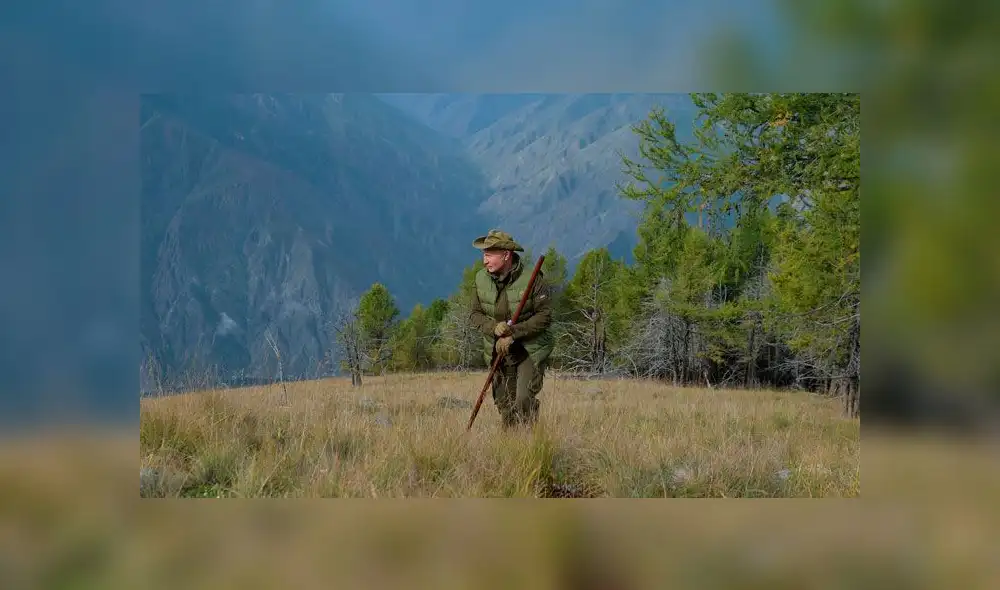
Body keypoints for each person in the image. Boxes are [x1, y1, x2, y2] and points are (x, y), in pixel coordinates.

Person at [469, 229, 555, 429]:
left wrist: (514, 333)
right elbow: (474, 314)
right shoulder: (480, 279)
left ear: (506, 255)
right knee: (504, 403)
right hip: (497, 350)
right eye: (484, 254)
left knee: (523, 400)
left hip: (528, 350)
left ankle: (531, 444)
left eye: (489, 254)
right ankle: (511, 448)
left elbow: (545, 317)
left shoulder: (533, 280)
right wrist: (494, 328)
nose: (484, 260)